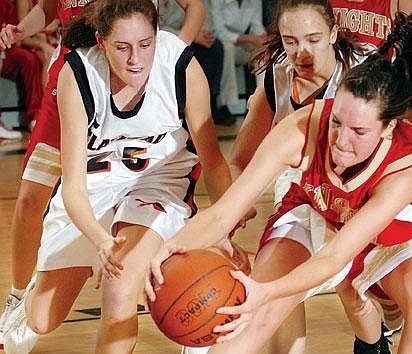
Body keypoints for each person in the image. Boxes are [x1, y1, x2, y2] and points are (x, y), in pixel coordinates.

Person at [147, 12, 412, 354]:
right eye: (337, 122)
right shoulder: (302, 127)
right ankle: (367, 331)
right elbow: (221, 215)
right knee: (252, 314)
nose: (342, 140)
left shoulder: (407, 166)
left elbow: (334, 257)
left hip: (394, 233)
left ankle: (371, 329)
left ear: (389, 128)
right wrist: (169, 247)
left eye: (359, 131)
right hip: (316, 209)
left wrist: (269, 291)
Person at [1, 1, 250, 353]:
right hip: (96, 185)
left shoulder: (179, 64)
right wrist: (100, 240)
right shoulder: (78, 72)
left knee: (119, 291)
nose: (136, 59)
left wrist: (223, 227)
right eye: (123, 48)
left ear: (157, 33)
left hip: (159, 182)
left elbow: (213, 162)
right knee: (42, 319)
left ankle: (165, 262)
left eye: (145, 45)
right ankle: (24, 301)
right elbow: (72, 186)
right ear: (101, 42)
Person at [228, 0, 367, 352]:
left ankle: (374, 339)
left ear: (334, 33)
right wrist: (228, 217)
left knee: (353, 291)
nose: (301, 52)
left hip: (360, 193)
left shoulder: (364, 74)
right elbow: (240, 158)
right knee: (278, 283)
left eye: (313, 39)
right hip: (300, 192)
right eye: (290, 41)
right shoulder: (276, 75)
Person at [328, 0, 412, 337]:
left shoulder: (396, 2)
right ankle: (370, 326)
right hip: (339, 119)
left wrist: (394, 117)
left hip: (380, 125)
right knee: (346, 233)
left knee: (383, 228)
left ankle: (386, 298)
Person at [159, 0, 230, 126]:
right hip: (159, 41)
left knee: (215, 47)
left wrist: (200, 34)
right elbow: (156, 28)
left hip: (183, 39)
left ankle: (209, 103)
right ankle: (181, 107)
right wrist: (192, 37)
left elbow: (198, 11)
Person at [210, 0, 266, 124]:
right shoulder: (217, 2)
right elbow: (218, 31)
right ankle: (225, 105)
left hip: (244, 43)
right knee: (226, 48)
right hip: (222, 43)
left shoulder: (255, 1)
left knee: (263, 49)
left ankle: (263, 101)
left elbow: (256, 26)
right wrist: (251, 39)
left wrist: (263, 39)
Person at [0, 0, 43, 140]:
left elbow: (18, 36)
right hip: (4, 48)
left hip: (10, 47)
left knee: (30, 60)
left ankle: (36, 116)